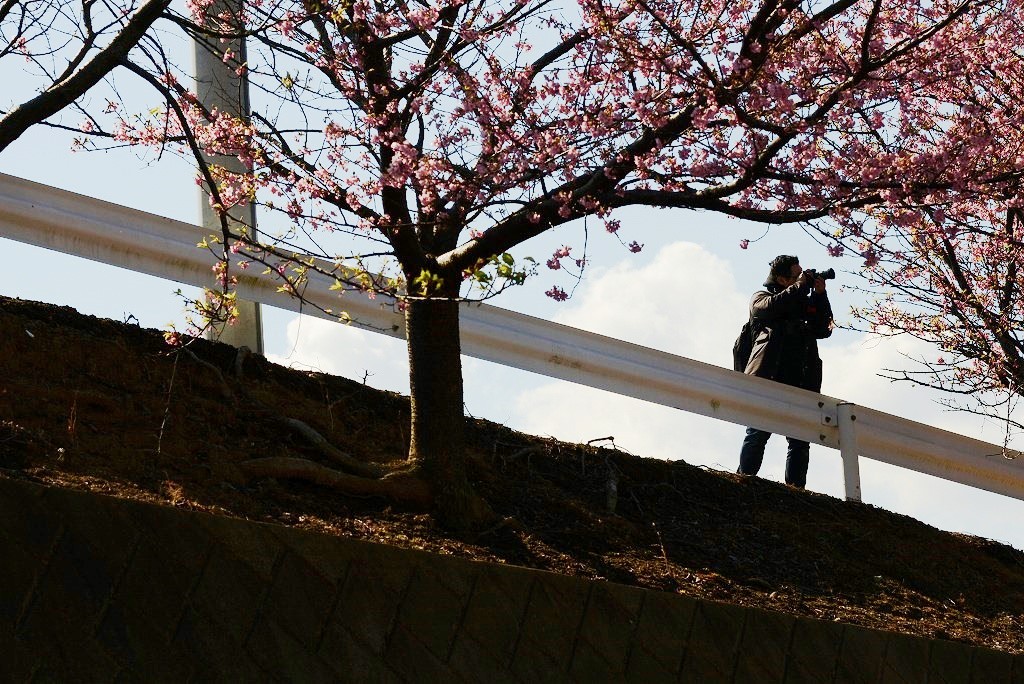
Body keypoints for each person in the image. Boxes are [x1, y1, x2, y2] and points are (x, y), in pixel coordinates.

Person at [738, 254, 833, 488]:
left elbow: (824, 328)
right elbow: (771, 308)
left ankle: (796, 489)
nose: (803, 279)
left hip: (801, 379)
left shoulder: (803, 303)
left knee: (800, 439)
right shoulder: (762, 298)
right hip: (769, 377)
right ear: (781, 279)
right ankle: (744, 481)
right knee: (758, 431)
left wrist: (820, 296)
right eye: (796, 275)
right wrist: (802, 285)